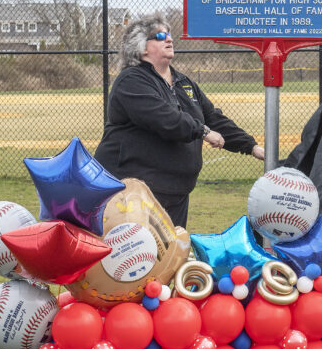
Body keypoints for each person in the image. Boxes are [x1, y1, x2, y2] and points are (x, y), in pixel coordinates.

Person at [95, 13, 264, 228]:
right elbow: (164, 118)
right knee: (140, 258)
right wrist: (203, 131)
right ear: (142, 47)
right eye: (160, 35)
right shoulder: (131, 80)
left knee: (172, 257)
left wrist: (251, 146)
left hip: (175, 194)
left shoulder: (184, 83)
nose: (169, 39)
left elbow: (213, 118)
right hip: (133, 195)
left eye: (170, 35)